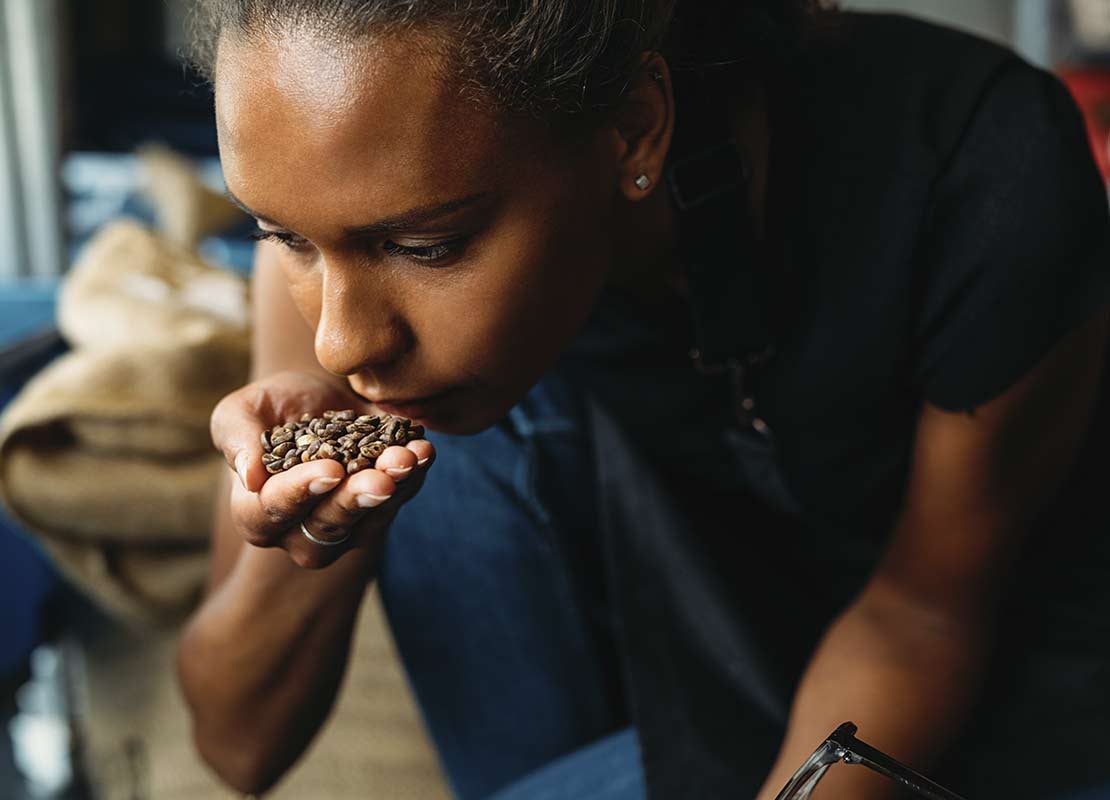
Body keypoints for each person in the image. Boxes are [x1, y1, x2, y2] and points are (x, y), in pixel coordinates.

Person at [175, 2, 1110, 798]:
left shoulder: (978, 172)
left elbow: (926, 615)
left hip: (973, 682)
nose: (342, 337)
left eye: (425, 247)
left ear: (633, 127)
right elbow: (237, 740)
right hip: (686, 659)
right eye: (281, 236)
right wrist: (321, 521)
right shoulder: (338, 235)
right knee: (444, 447)